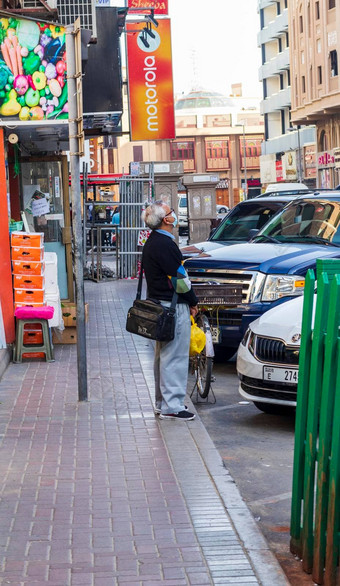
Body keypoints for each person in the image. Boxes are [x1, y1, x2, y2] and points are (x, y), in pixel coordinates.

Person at [141, 200, 199, 420]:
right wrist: (193, 301)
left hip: (160, 305)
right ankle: (172, 406)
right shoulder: (165, 244)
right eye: (171, 212)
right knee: (174, 357)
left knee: (163, 356)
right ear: (166, 219)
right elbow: (180, 281)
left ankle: (162, 403)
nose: (174, 214)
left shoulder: (153, 242)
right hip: (172, 307)